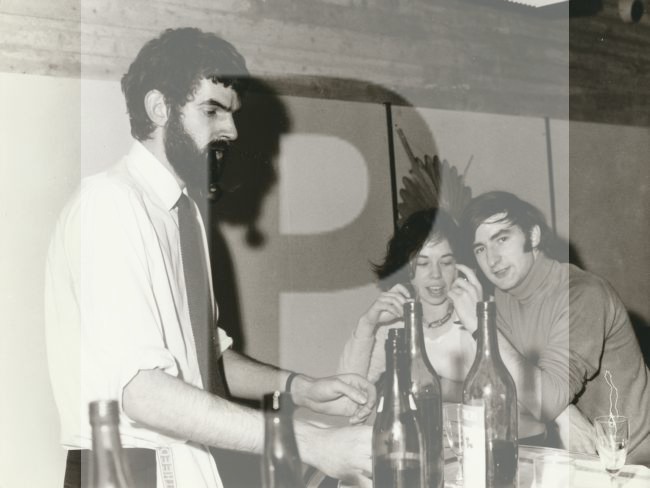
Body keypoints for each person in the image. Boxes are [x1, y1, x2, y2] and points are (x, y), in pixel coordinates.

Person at [45, 27, 376, 488]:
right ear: (159, 108)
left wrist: (299, 388)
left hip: (187, 464)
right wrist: (312, 442)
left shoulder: (185, 214)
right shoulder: (109, 206)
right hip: (126, 471)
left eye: (232, 113)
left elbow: (205, 359)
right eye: (212, 111)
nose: (232, 130)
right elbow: (144, 393)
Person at [455, 191, 650, 463]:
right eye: (480, 249)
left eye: (502, 239)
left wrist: (480, 325)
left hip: (634, 463)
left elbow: (544, 399)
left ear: (533, 236)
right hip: (574, 459)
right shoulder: (503, 299)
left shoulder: (583, 294)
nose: (492, 259)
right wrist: (564, 414)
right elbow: (502, 387)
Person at [338, 208, 480, 401]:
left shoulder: (474, 313)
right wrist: (367, 324)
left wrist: (438, 386)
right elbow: (346, 399)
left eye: (446, 262)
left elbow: (490, 391)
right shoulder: (394, 324)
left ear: (459, 267)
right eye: (423, 263)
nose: (436, 274)